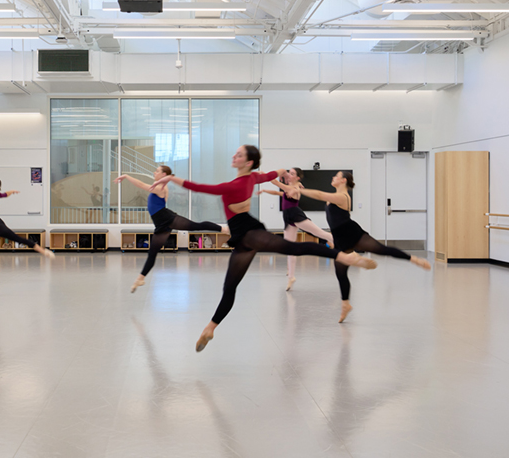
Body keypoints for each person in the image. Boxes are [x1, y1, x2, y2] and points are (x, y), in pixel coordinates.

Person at [150, 145, 377, 352]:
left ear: (247, 162)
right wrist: (282, 172)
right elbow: (269, 175)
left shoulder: (237, 184)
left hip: (250, 233)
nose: (233, 155)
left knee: (291, 248)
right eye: (235, 152)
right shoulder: (252, 178)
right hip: (241, 238)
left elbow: (200, 187)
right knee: (230, 286)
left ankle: (345, 257)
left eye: (238, 155)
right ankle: (210, 328)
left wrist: (171, 178)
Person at [299, 171, 431, 323]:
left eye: (336, 176)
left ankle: (413, 259)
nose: (333, 177)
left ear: (343, 180)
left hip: (352, 233)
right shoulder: (335, 196)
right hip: (340, 237)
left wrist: (300, 191)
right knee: (340, 272)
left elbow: (320, 195)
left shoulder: (343, 197)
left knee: (381, 250)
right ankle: (345, 304)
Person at [116, 166, 228, 293]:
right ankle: (140, 279)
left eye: (157, 171)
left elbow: (141, 185)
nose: (154, 172)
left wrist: (126, 176)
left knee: (196, 226)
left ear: (164, 174)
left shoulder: (161, 187)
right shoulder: (159, 185)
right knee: (152, 252)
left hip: (168, 219)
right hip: (161, 225)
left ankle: (223, 229)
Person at [258, 167, 333, 291]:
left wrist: (265, 174)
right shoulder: (293, 188)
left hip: (296, 215)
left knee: (320, 233)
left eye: (292, 174)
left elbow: (276, 183)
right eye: (289, 172)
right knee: (289, 248)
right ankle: (291, 277)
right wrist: (265, 190)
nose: (289, 175)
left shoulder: (294, 188)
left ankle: (342, 244)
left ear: (298, 177)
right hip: (288, 217)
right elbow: (278, 192)